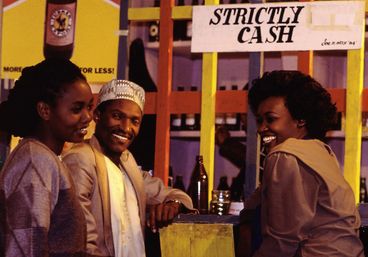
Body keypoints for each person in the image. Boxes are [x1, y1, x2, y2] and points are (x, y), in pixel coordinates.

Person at [63, 79, 195, 257]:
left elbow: (177, 195)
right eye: (117, 116)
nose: (126, 128)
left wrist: (173, 204)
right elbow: (80, 237)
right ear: (98, 115)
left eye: (135, 121)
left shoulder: (127, 162)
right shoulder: (81, 159)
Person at [247, 70, 364, 256]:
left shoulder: (285, 155)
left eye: (271, 119)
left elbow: (282, 239)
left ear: (300, 119)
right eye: (259, 120)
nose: (262, 128)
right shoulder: (320, 151)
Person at [0, 58, 94, 256]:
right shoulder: (36, 161)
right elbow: (27, 247)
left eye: (89, 107)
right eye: (77, 109)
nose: (87, 117)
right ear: (45, 110)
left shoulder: (44, 157)